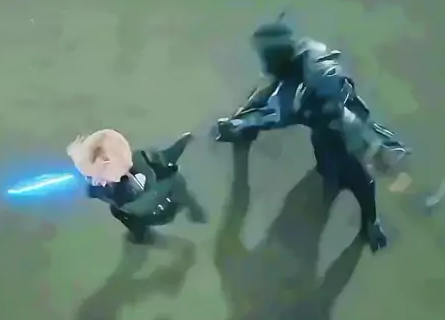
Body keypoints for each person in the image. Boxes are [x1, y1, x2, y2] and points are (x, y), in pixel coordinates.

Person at [215, 16, 410, 252]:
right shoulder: (301, 60)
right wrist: (240, 122)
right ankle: (366, 216)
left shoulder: (309, 86)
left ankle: (371, 222)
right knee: (336, 170)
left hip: (338, 131)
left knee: (357, 178)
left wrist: (239, 124)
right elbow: (271, 96)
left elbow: (277, 111)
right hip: (329, 125)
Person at [67, 129, 206, 243]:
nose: (96, 182)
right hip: (140, 212)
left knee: (182, 193)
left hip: (167, 198)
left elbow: (172, 153)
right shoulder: (100, 189)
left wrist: (184, 141)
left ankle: (194, 209)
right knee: (120, 213)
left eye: (98, 176)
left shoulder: (150, 162)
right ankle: (141, 235)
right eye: (89, 177)